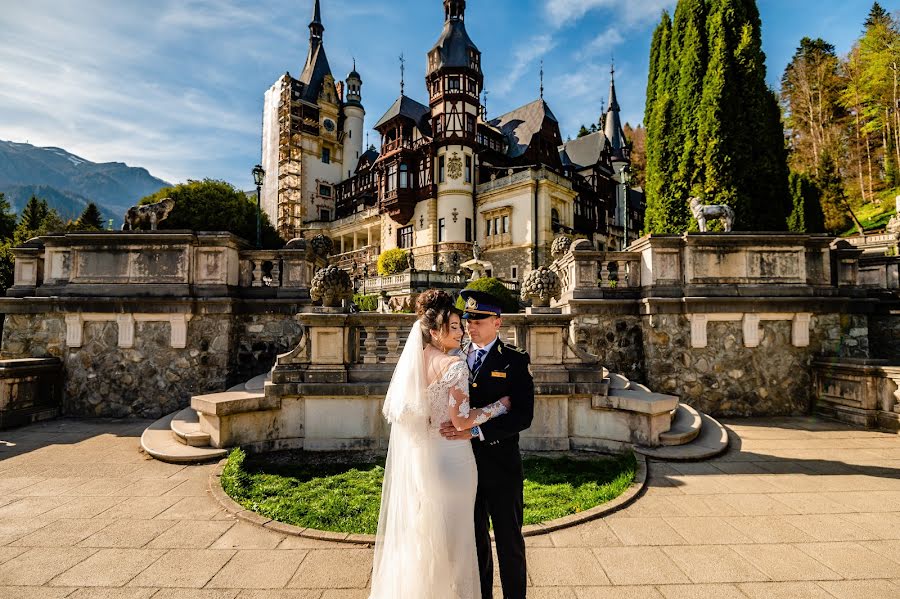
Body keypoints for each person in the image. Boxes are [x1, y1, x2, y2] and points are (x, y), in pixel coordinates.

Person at [369, 289, 512, 599]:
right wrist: (499, 406)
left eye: (462, 325)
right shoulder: (455, 366)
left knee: (428, 537)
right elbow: (461, 421)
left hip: (427, 460)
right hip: (455, 462)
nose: (461, 332)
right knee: (458, 544)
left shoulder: (417, 361)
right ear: (434, 331)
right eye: (454, 326)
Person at [441, 289, 535, 599]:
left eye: (478, 320)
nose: (470, 325)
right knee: (476, 541)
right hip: (464, 466)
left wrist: (476, 432)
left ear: (497, 322)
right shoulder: (455, 356)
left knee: (509, 542)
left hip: (501, 466)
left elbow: (523, 416)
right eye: (468, 319)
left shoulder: (514, 361)